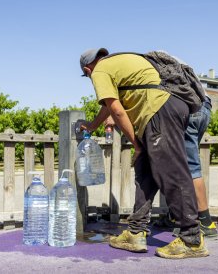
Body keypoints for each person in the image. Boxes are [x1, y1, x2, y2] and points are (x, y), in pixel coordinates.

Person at [79, 48, 209, 259]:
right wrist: (93, 125)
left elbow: (118, 111)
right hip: (171, 105)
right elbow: (109, 106)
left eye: (87, 76)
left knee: (172, 172)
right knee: (145, 171)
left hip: (158, 109)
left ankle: (192, 239)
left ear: (87, 69)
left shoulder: (100, 71)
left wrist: (136, 145)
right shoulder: (119, 61)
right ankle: (135, 232)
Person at [154, 95, 218, 237]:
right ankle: (175, 216)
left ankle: (205, 223)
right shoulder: (180, 71)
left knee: (190, 167)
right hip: (202, 106)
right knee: (177, 164)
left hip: (187, 108)